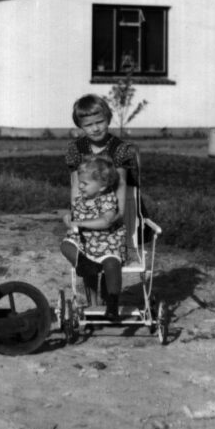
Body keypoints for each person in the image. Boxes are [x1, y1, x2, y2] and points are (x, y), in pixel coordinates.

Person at [61, 94, 138, 317]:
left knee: (108, 255)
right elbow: (76, 184)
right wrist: (76, 215)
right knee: (74, 247)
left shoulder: (119, 148)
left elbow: (122, 182)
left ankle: (107, 302)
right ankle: (93, 300)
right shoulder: (77, 148)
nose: (95, 128)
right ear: (80, 126)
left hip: (109, 209)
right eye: (89, 125)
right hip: (86, 210)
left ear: (108, 118)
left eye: (99, 122)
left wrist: (120, 212)